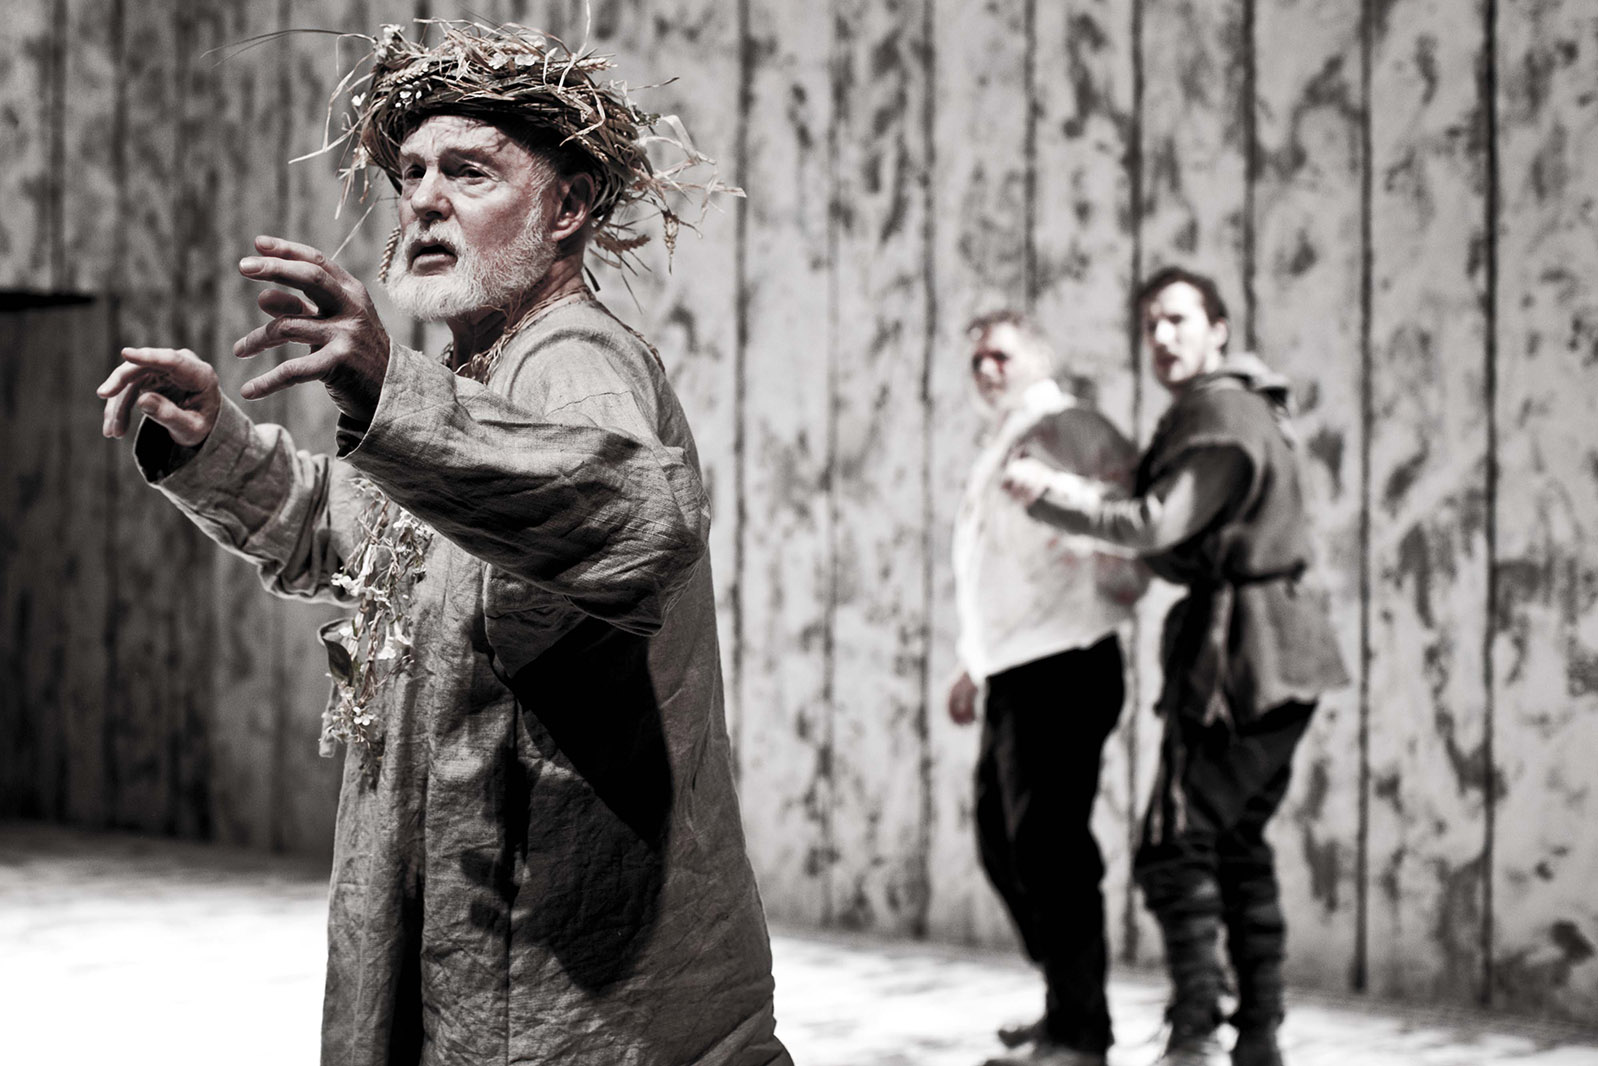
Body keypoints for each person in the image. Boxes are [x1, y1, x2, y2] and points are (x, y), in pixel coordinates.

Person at [96, 20, 789, 1066]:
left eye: (468, 171)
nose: (423, 198)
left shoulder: (573, 360)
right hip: (479, 958)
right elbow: (355, 543)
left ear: (567, 207)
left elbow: (639, 520)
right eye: (412, 172)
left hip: (569, 1002)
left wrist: (390, 389)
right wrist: (212, 446)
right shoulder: (470, 380)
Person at [1000, 267, 1349, 1066]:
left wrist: (1049, 492)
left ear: (1218, 328)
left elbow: (1153, 525)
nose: (1162, 336)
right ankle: (1256, 1035)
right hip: (1267, 650)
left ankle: (1196, 1034)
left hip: (1248, 658)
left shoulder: (1222, 414)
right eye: (1152, 323)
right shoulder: (1238, 405)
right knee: (1234, 845)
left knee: (1177, 846)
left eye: (1180, 320)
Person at [948, 311, 1147, 1066]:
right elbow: (996, 567)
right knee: (1004, 841)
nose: (987, 370)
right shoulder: (1007, 436)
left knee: (1050, 850)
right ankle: (1067, 1001)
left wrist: (1059, 492)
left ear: (1040, 357)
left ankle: (1081, 1033)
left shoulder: (1071, 425)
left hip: (1065, 663)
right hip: (1016, 668)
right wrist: (974, 663)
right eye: (978, 360)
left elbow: (1129, 520)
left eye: (1001, 355)